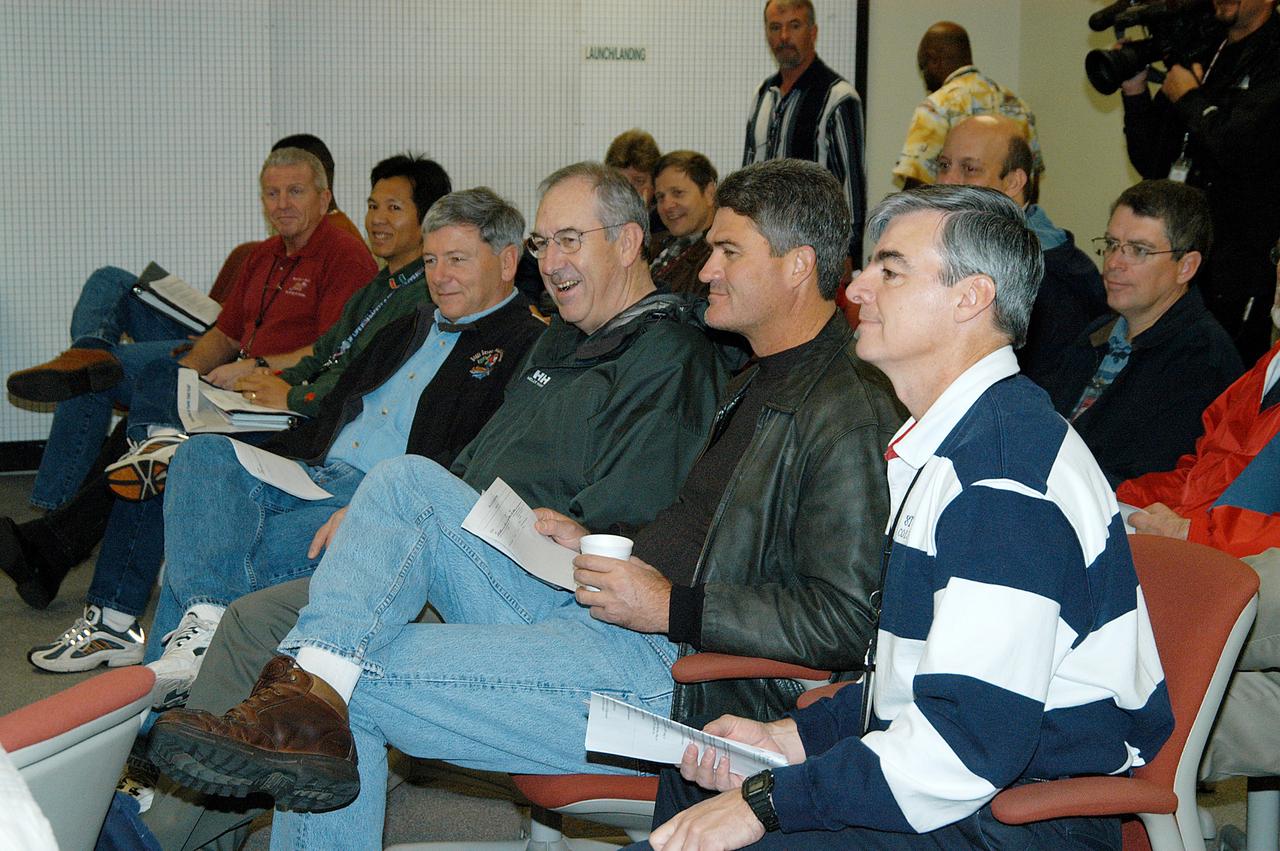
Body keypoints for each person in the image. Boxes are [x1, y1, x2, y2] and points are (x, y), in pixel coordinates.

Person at [141, 159, 904, 850]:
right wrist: (607, 542)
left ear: (799, 265)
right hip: (606, 609)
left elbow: (844, 618)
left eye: (728, 252)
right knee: (405, 482)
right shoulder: (761, 376)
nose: (703, 268)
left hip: (673, 671)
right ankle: (297, 699)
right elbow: (707, 530)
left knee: (343, 683)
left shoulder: (842, 408)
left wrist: (675, 604)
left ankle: (293, 704)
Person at [635, 184, 1173, 851]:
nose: (856, 287)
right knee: (694, 792)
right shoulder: (955, 442)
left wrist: (771, 801)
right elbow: (910, 680)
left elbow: (964, 744)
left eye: (889, 270)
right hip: (962, 791)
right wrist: (792, 736)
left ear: (969, 298)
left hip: (1010, 821)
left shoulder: (1003, 478)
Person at [136, 186, 547, 710]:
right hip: (313, 475)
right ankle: (202, 642)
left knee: (197, 556)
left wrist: (376, 510)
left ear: (508, 261)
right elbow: (328, 414)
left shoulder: (526, 344)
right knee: (201, 456)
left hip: (379, 504)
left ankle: (165, 727)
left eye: (458, 260)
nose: (440, 276)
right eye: (431, 261)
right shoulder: (409, 325)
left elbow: (475, 466)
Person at [0, 155, 448, 615]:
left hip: (306, 421)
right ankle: (77, 531)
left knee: (163, 443)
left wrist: (282, 386)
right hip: (265, 388)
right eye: (374, 206)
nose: (376, 219)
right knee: (156, 399)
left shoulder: (377, 275)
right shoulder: (368, 282)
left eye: (393, 209)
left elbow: (350, 375)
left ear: (324, 198)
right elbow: (315, 351)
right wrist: (218, 381)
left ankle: (95, 587)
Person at [7, 136, 369, 512]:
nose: (282, 204)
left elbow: (331, 354)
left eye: (295, 191)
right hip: (226, 370)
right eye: (272, 194)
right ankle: (90, 357)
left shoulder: (344, 256)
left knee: (103, 374)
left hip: (268, 391)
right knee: (100, 358)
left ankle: (55, 511)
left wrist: (253, 366)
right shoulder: (263, 254)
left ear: (324, 198)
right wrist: (183, 377)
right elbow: (226, 334)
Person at [1119, 241, 1280, 783]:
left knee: (1155, 658)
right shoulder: (1264, 371)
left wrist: (1191, 532)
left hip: (1236, 561)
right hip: (1215, 550)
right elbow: (1199, 472)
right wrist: (1115, 496)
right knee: (1157, 694)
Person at [1039, 179, 1242, 485]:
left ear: (1186, 267)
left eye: (1138, 250)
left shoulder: (1203, 362)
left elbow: (1146, 481)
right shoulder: (1097, 333)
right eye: (1111, 244)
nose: (1113, 263)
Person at [1119, 0, 1280, 363]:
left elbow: (1243, 149)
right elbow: (1152, 159)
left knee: (1224, 380)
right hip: (1183, 255)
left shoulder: (1274, 58)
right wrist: (1135, 94)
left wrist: (1191, 98)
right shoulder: (1206, 51)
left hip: (1242, 266)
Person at [934, 115, 1106, 382]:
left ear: (1014, 183)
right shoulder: (969, 250)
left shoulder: (1051, 277)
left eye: (970, 169)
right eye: (944, 165)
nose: (947, 181)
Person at [743, 0, 865, 257]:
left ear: (813, 32)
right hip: (762, 245)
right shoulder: (763, 94)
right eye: (775, 27)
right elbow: (748, 173)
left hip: (815, 247)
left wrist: (847, 253)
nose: (784, 37)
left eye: (794, 26)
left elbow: (852, 186)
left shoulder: (838, 96)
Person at [893, 21, 1041, 190]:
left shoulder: (936, 106)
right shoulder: (1018, 105)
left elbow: (917, 187)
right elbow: (1031, 185)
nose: (925, 81)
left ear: (933, 59)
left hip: (958, 215)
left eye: (923, 68)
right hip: (1010, 215)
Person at [650, 150, 717, 296]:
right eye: (660, 197)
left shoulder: (719, 258)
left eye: (678, 193)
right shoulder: (653, 244)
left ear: (709, 193)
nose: (667, 206)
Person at [606, 128, 665, 237]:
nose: (629, 190)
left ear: (655, 184)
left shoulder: (667, 223)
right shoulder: (600, 218)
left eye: (639, 181)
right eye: (621, 181)